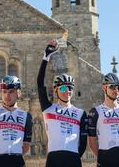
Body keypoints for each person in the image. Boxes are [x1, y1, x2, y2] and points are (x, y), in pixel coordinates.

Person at [37, 39, 88, 167]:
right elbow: (40, 84)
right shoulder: (48, 109)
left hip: (73, 159)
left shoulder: (80, 113)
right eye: (64, 88)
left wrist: (74, 157)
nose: (67, 91)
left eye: (70, 88)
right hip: (54, 159)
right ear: (56, 90)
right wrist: (46, 58)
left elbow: (83, 141)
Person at [0, 75, 33, 167]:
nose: (7, 95)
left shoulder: (26, 116)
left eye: (11, 92)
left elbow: (26, 145)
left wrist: (14, 157)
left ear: (18, 93)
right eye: (4, 92)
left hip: (18, 161)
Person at [88, 72, 119, 167]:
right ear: (104, 88)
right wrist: (102, 157)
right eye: (112, 87)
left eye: (118, 87)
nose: (116, 90)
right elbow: (92, 141)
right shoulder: (95, 112)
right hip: (104, 160)